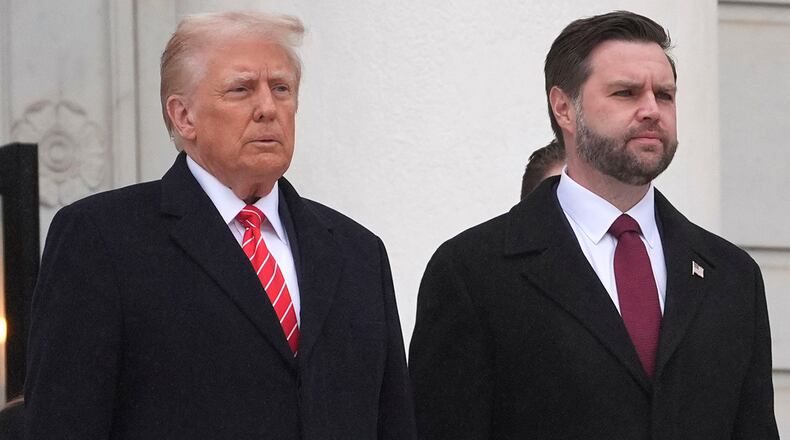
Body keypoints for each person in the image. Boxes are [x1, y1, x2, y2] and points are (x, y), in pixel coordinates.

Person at [25, 11, 416, 439]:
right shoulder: (102, 239)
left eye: (281, 89)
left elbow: (392, 421)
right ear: (183, 116)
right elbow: (63, 421)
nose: (268, 108)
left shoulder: (357, 251)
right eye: (241, 89)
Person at [410, 10, 778, 439]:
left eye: (664, 94)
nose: (651, 111)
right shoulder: (473, 271)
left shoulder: (731, 275)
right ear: (564, 107)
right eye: (625, 93)